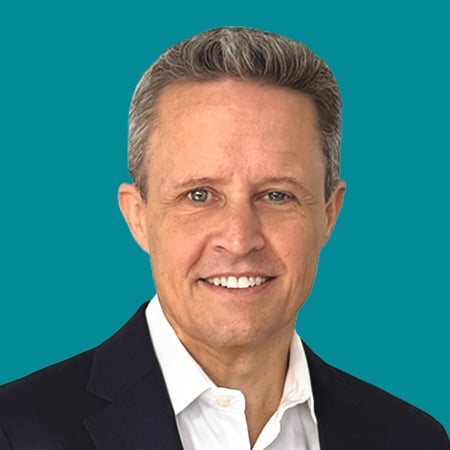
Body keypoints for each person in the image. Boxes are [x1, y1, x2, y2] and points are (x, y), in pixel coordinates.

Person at [0, 27, 448, 450]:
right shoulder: (15, 431)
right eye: (199, 195)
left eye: (277, 195)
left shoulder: (413, 439)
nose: (239, 239)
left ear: (328, 214)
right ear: (138, 216)